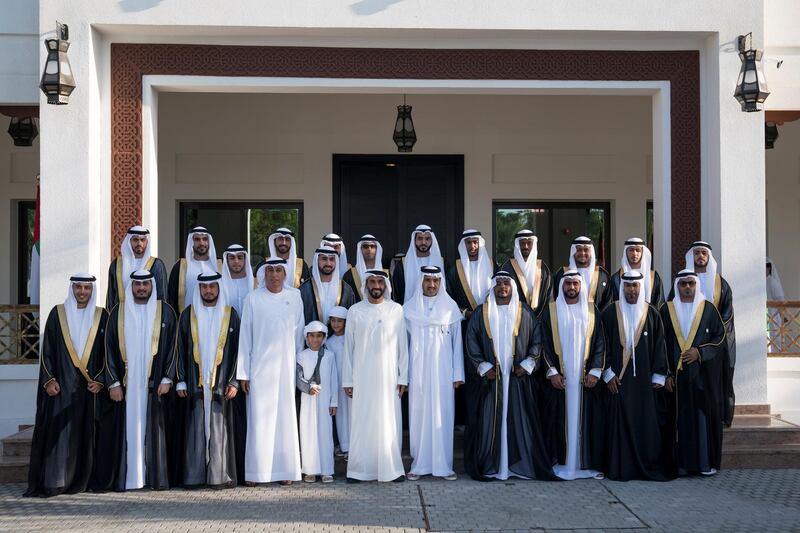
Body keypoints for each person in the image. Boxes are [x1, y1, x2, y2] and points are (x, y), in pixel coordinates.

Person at [463, 271, 554, 481]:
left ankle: (518, 466)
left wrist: (529, 362)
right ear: (493, 287)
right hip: (492, 379)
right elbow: (471, 341)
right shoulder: (481, 312)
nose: (502, 287)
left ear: (512, 287)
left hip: (518, 378)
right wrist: (483, 366)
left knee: (520, 420)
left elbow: (537, 341)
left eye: (506, 283)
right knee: (489, 422)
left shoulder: (525, 312)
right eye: (499, 283)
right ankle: (491, 465)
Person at [25, 274, 108, 497]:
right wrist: (49, 379)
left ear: (92, 290)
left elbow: (109, 354)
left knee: (86, 435)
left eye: (86, 288)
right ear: (72, 289)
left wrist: (101, 380)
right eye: (78, 287)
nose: (82, 292)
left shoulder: (102, 315)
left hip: (91, 388)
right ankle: (56, 482)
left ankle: (84, 480)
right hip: (62, 385)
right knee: (59, 436)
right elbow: (48, 350)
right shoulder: (57, 314)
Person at [99, 270, 178, 491]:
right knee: (130, 430)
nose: (141, 288)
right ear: (131, 286)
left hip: (156, 385)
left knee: (155, 431)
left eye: (145, 283)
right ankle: (133, 478)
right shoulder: (118, 312)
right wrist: (113, 382)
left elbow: (174, 347)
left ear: (152, 285)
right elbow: (109, 349)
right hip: (128, 386)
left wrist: (168, 378)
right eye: (137, 284)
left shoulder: (166, 312)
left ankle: (155, 478)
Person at [236, 259, 304, 485]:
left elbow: (299, 334)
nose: (274, 275)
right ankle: (257, 472)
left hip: (285, 367)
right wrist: (243, 372)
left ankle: (286, 472)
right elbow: (245, 336)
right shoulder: (253, 298)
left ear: (285, 274)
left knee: (285, 419)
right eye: (270, 270)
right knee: (259, 420)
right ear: (263, 274)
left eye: (278, 270)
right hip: (260, 369)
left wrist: (298, 370)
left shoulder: (294, 297)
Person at [600, 271, 670, 481]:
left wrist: (659, 376)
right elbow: (601, 345)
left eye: (635, 286)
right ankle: (622, 468)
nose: (632, 290)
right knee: (619, 428)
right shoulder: (610, 312)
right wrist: (607, 374)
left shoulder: (652, 313)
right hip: (618, 382)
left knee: (645, 425)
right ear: (623, 288)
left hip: (644, 385)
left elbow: (660, 346)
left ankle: (645, 466)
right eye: (628, 286)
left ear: (641, 287)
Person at [342, 270, 409, 482]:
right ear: (366, 285)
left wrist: (403, 377)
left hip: (389, 377)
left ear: (386, 285)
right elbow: (348, 349)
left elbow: (403, 347)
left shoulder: (396, 310)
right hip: (362, 377)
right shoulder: (355, 311)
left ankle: (391, 469)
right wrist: (348, 380)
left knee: (389, 421)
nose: (376, 285)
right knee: (363, 421)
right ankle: (359, 471)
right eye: (372, 281)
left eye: (380, 281)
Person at [175, 271, 240, 488]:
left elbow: (239, 351)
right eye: (204, 287)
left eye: (212, 287)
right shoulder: (188, 315)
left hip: (221, 384)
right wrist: (181, 379)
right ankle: (195, 476)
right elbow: (179, 349)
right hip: (196, 383)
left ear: (219, 288)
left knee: (219, 429)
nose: (208, 291)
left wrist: (233, 381)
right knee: (195, 429)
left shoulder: (231, 315)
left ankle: (219, 476)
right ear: (199, 289)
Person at [540, 270, 606, 480]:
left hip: (585, 380)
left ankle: (584, 464)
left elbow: (599, 343)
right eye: (568, 283)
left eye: (575, 284)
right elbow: (544, 344)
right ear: (562, 286)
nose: (571, 287)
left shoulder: (591, 311)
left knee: (585, 421)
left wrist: (595, 371)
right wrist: (552, 372)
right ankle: (562, 462)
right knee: (559, 420)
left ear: (581, 286)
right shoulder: (551, 311)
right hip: (561, 380)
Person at [661, 270, 726, 476]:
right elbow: (658, 344)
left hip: (701, 378)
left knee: (700, 420)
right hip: (675, 379)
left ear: (696, 285)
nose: (687, 288)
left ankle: (703, 463)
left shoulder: (708, 309)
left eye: (690, 284)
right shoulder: (666, 310)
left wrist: (700, 352)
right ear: (677, 286)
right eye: (683, 284)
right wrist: (666, 374)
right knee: (677, 421)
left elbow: (720, 338)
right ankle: (679, 465)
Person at [404, 266, 464, 481]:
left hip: (443, 373)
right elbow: (404, 345)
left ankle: (444, 466)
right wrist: (404, 375)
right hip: (418, 372)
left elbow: (458, 343)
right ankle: (418, 465)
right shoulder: (409, 308)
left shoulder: (450, 308)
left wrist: (458, 374)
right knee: (418, 415)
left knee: (443, 416)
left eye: (435, 281)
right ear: (421, 282)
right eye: (427, 280)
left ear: (441, 283)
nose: (431, 285)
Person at [679, 241, 736, 427]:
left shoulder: (721, 283)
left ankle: (717, 417)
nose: (700, 257)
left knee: (714, 383)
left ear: (709, 257)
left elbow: (726, 314)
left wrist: (710, 334)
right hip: (686, 342)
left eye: (704, 253)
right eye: (697, 253)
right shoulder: (683, 281)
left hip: (712, 344)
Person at [296, 321, 338, 483]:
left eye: (319, 336)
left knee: (325, 435)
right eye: (312, 336)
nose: (315, 339)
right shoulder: (301, 356)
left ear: (324, 337)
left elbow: (334, 379)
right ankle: (310, 470)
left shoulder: (329, 356)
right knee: (308, 434)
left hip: (325, 403)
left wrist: (334, 402)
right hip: (308, 401)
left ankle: (327, 470)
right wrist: (308, 388)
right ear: (307, 337)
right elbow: (298, 378)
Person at [106, 226, 168, 309]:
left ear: (147, 242)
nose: (139, 243)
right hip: (121, 315)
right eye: (135, 240)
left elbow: (161, 296)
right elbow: (111, 295)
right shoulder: (117, 264)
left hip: (148, 314)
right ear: (129, 241)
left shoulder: (156, 265)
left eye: (142, 240)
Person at [552, 236, 613, 311]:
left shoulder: (602, 275)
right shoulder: (562, 273)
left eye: (586, 250)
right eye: (579, 250)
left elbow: (607, 302)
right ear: (573, 251)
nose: (582, 253)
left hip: (596, 320)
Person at [499, 229, 551, 317]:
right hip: (513, 318)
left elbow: (549, 297)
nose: (526, 246)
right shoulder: (507, 267)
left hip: (540, 320)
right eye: (522, 243)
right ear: (517, 245)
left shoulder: (543, 268)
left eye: (529, 243)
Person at [299, 246, 356, 324]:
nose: (328, 263)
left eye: (332, 259)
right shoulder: (304, 289)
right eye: (324, 259)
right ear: (317, 260)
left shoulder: (346, 290)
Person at [168, 226, 219, 311]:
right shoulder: (180, 267)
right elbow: (172, 298)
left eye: (205, 239)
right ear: (191, 242)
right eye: (197, 239)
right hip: (188, 321)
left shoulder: (219, 266)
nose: (201, 243)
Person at [390, 224, 446, 303]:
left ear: (432, 240)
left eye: (427, 239)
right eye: (420, 238)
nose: (423, 242)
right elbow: (397, 293)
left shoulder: (443, 263)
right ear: (414, 240)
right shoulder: (402, 265)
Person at [446, 229, 495, 318]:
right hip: (464, 321)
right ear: (463, 245)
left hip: (490, 317)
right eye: (468, 243)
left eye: (475, 242)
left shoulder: (493, 266)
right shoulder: (454, 270)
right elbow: (448, 297)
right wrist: (465, 312)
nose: (472, 246)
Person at [609, 238, 665, 309]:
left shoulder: (654, 277)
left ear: (643, 252)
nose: (634, 253)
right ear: (626, 252)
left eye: (638, 250)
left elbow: (659, 303)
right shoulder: (616, 278)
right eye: (631, 250)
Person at [326, 306, 350, 458]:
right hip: (337, 381)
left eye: (339, 321)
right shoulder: (328, 342)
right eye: (333, 321)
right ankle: (345, 445)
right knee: (341, 415)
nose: (336, 324)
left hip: (351, 380)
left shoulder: (351, 337)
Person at [342, 234, 387, 302]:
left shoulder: (387, 274)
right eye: (365, 246)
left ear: (377, 249)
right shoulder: (350, 275)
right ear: (360, 249)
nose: (369, 249)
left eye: (372, 246)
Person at [221, 244, 255, 317]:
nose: (236, 261)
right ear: (227, 260)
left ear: (245, 259)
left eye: (240, 257)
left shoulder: (255, 284)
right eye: (232, 258)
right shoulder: (219, 284)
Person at [766, 257, 785, 353]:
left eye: (766, 267)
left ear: (769, 268)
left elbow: (781, 301)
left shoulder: (772, 282)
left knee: (773, 339)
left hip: (772, 315)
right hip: (766, 315)